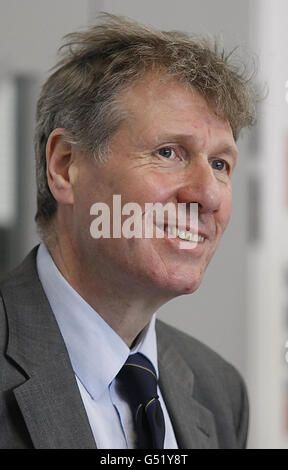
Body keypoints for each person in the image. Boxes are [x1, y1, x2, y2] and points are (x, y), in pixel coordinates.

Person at [0, 13, 256, 449]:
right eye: (169, 152)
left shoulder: (220, 391)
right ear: (65, 166)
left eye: (219, 164)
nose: (208, 195)